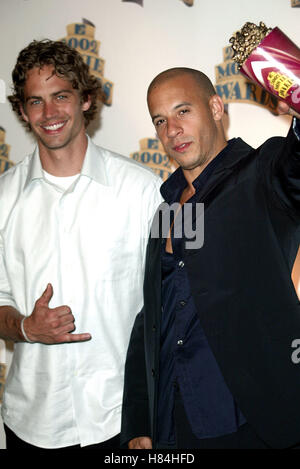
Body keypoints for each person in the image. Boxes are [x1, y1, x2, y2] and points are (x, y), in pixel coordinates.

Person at [121, 67, 300, 449]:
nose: (171, 130)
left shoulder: (262, 175)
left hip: (250, 425)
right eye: (160, 120)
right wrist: (139, 418)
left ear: (216, 107)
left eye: (183, 111)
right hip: (171, 421)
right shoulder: (169, 209)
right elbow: (153, 317)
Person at [0, 39, 162, 449]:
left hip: (119, 420)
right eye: (35, 101)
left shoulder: (142, 190)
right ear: (22, 110)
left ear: (86, 100)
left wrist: (146, 416)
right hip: (31, 423)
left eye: (61, 97)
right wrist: (25, 327)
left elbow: (171, 305)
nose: (49, 113)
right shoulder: (3, 198)